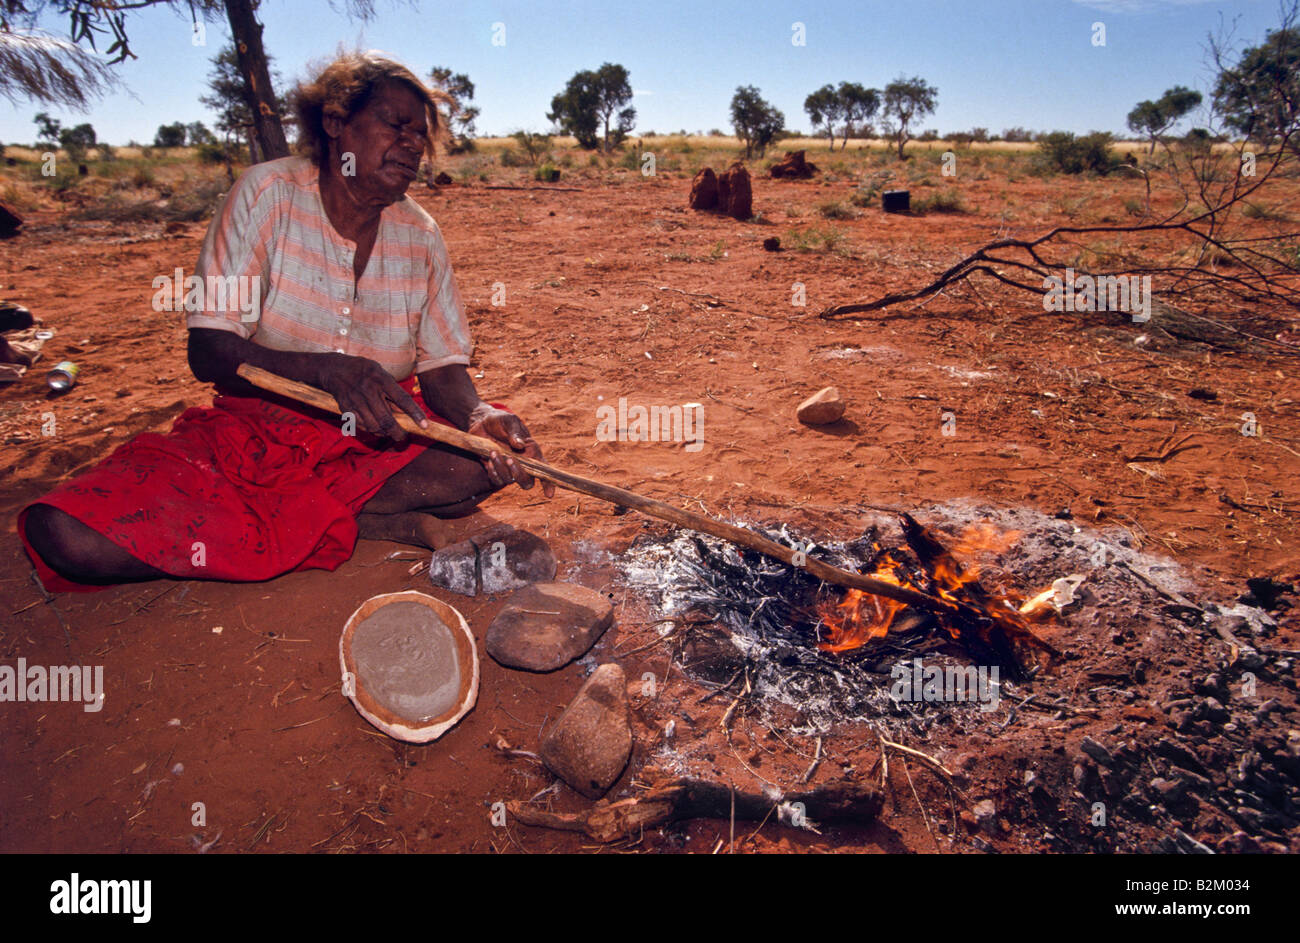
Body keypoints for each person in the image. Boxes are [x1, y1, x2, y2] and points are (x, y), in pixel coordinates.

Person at [20, 51, 552, 591]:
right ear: (335, 121)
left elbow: (441, 368)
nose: (413, 142)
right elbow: (208, 350)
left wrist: (477, 415)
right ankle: (349, 519)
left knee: (482, 458)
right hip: (254, 435)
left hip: (375, 437)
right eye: (396, 124)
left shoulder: (420, 234)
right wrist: (324, 371)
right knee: (65, 535)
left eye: (421, 134)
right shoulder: (265, 194)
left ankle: (315, 520)